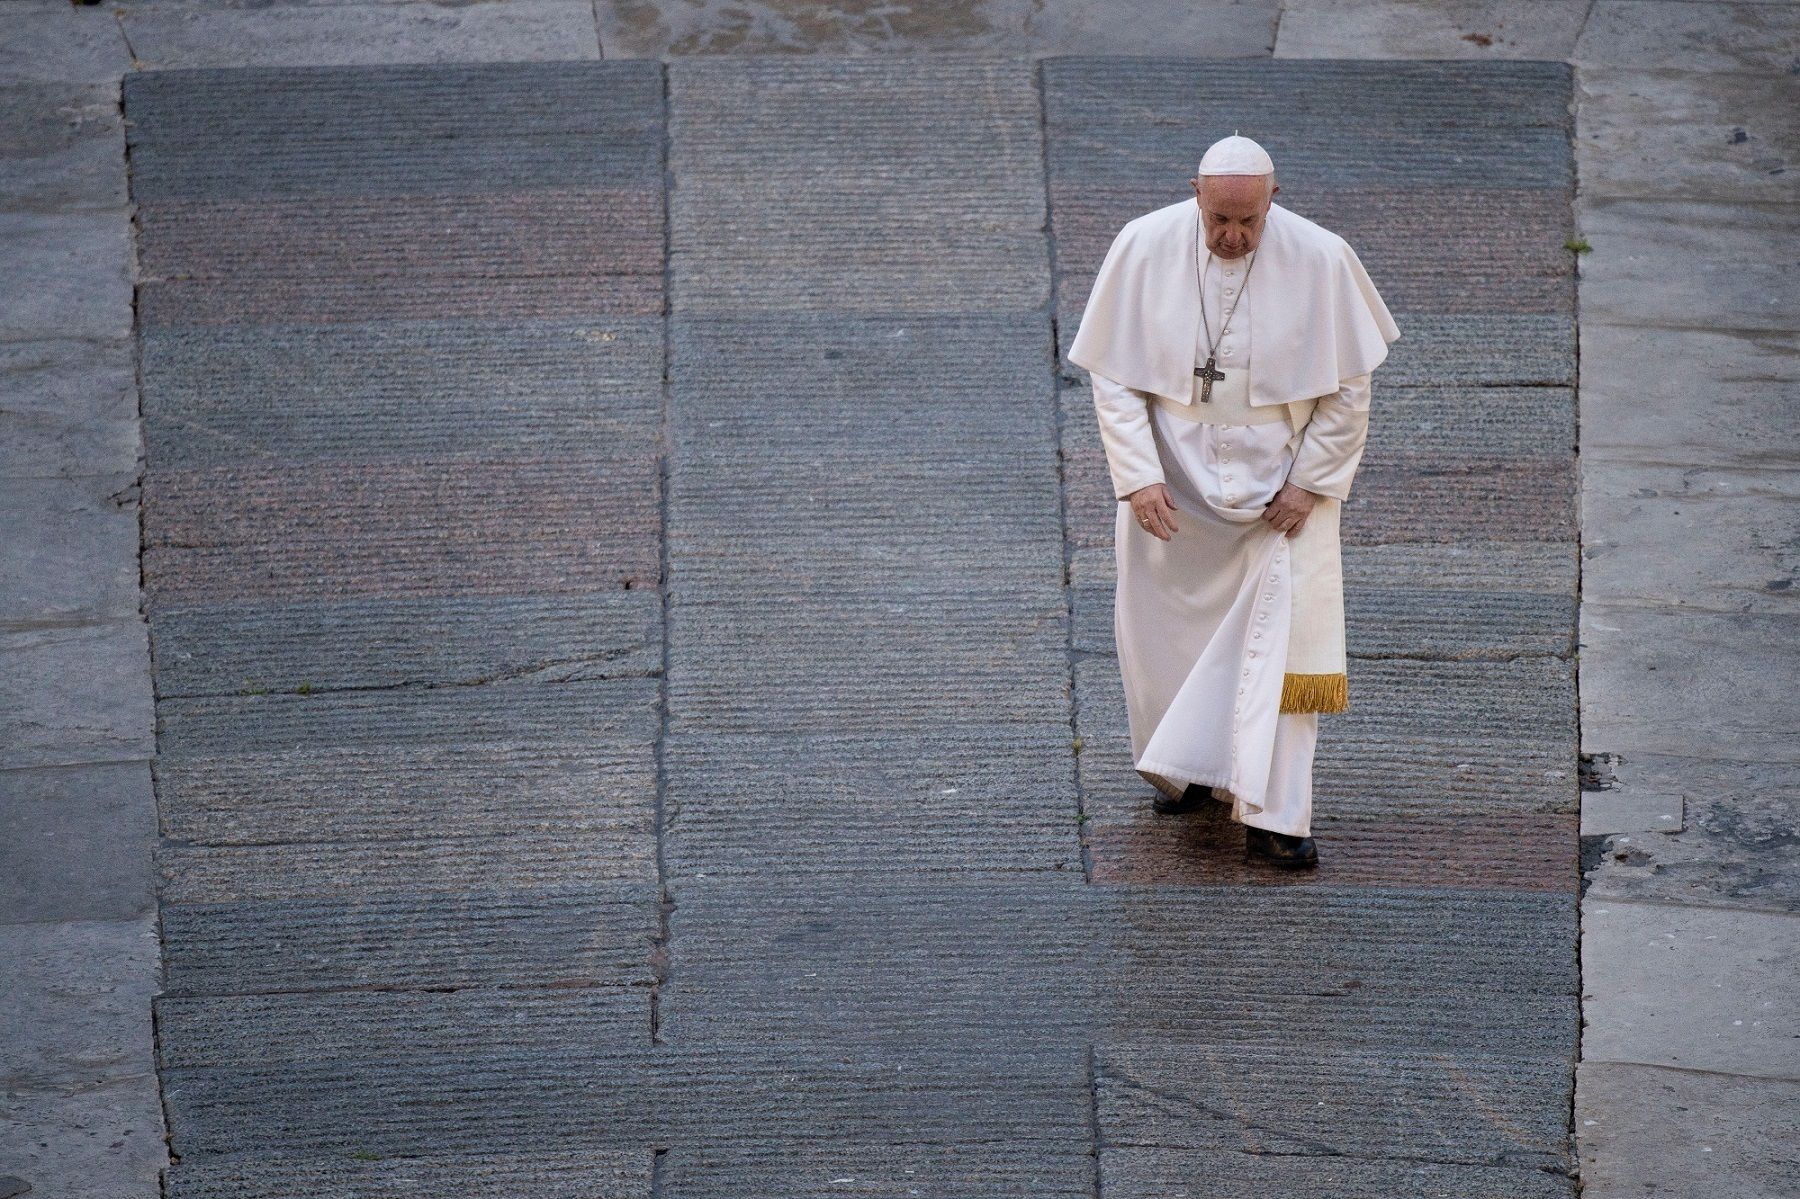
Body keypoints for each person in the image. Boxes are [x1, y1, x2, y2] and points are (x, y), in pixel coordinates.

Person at [1067, 134, 1400, 868]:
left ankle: (1277, 814)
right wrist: (1138, 472)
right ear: (1196, 193)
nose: (1232, 236)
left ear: (1272, 200)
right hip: (1174, 487)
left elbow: (1349, 388)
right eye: (1219, 219)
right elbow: (1115, 376)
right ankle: (1185, 767)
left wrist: (1311, 480)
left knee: (1283, 653)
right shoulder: (1143, 245)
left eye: (1248, 222)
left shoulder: (1321, 258)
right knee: (1165, 640)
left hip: (1280, 493)